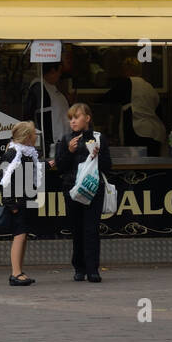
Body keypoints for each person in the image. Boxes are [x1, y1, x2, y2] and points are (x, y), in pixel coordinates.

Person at [54, 102, 114, 282]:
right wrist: (69, 151)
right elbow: (61, 167)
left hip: (94, 189)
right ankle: (79, 268)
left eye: (77, 117)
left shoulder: (98, 138)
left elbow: (107, 167)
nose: (73, 121)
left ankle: (93, 269)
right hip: (72, 190)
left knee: (91, 229)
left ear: (87, 118)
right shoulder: (65, 140)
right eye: (70, 118)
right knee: (77, 229)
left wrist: (97, 155)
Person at [0, 120, 43, 286]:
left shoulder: (28, 153)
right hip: (17, 202)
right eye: (33, 134)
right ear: (27, 137)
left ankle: (19, 271)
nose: (36, 137)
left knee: (23, 235)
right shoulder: (12, 153)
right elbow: (4, 180)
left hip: (25, 199)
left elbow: (32, 170)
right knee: (19, 235)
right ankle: (15, 273)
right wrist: (11, 204)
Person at [100, 58, 167, 155]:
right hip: (156, 134)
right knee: (152, 166)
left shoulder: (127, 83)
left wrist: (90, 100)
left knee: (136, 166)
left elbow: (107, 98)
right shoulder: (150, 87)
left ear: (128, 70)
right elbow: (159, 112)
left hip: (138, 132)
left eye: (123, 69)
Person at [23, 61, 69, 158]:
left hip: (62, 141)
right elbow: (29, 115)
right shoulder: (39, 87)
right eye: (59, 71)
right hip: (50, 144)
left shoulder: (51, 87)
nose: (60, 75)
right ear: (52, 71)